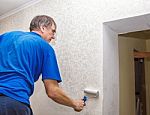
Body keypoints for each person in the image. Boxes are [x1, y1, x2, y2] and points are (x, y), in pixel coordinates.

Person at [0, 15, 85, 115]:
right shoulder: (45, 47)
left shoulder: (6, 36)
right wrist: (74, 104)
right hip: (12, 102)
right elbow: (52, 91)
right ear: (43, 28)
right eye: (53, 31)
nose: (53, 36)